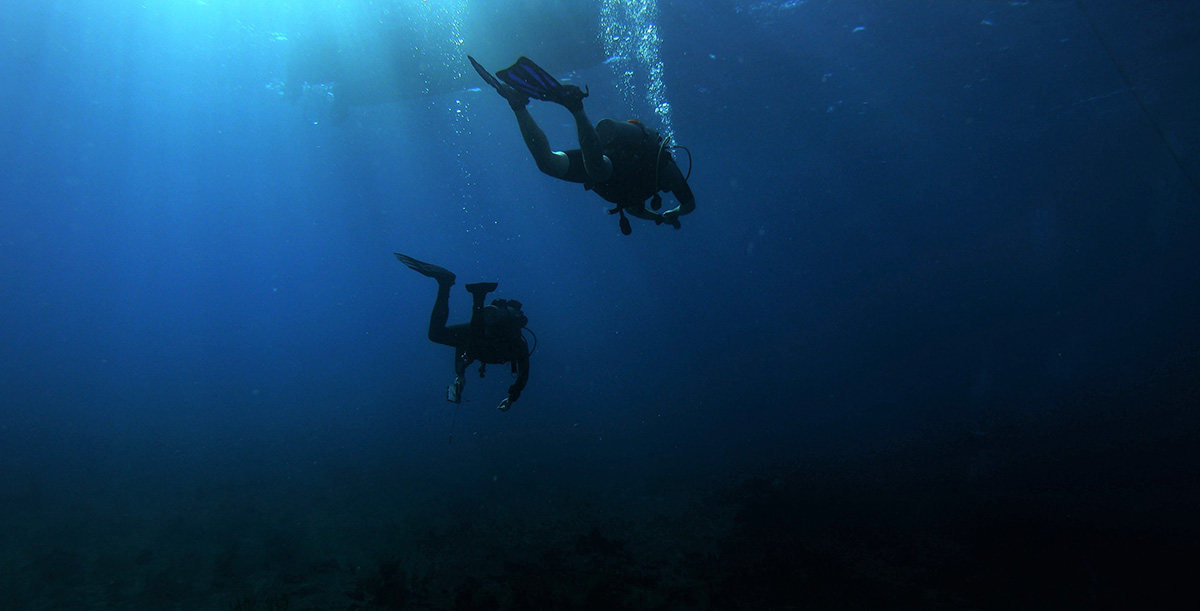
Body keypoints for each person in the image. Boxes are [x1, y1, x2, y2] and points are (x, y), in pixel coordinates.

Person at [469, 55, 696, 235]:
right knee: (597, 170)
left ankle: (518, 105)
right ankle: (575, 107)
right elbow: (689, 205)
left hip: (603, 165)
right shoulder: (666, 168)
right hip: (609, 166)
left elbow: (634, 209)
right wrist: (674, 212)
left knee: (548, 164)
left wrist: (662, 217)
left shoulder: (641, 190)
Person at [394, 252, 530, 412]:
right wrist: (511, 398)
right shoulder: (516, 346)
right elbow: (523, 374)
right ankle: (466, 292)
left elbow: (464, 344)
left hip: (477, 333)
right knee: (453, 336)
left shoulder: (513, 344)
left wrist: (460, 373)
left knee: (439, 334)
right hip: (479, 335)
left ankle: (452, 287)